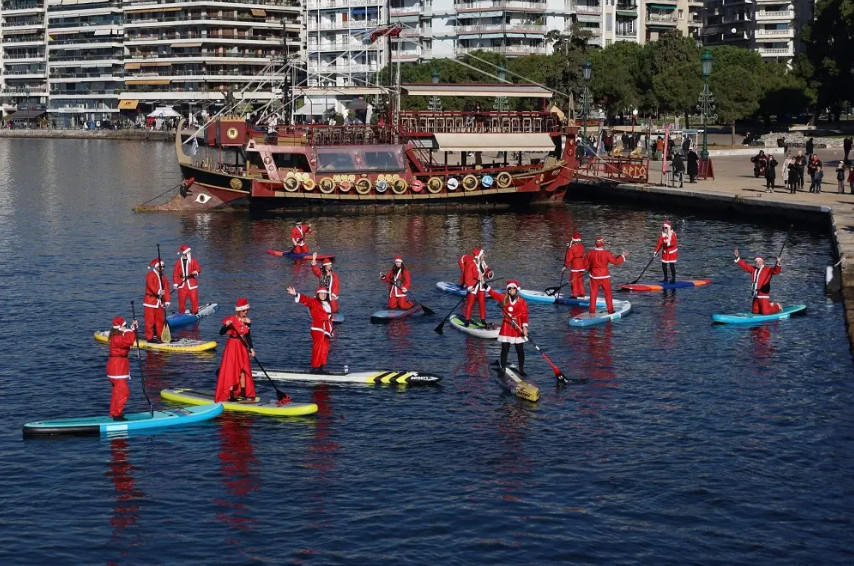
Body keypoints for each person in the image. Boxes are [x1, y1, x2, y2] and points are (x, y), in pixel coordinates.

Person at [214, 298, 257, 402]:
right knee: (232, 369)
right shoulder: (231, 319)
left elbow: (248, 336)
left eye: (247, 310)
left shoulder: (248, 321)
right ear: (239, 311)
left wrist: (251, 348)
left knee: (243, 369)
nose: (246, 312)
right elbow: (221, 333)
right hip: (232, 346)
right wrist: (226, 326)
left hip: (242, 346)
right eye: (244, 310)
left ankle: (243, 393)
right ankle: (231, 395)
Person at [486, 280, 529, 376]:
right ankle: (503, 368)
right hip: (507, 325)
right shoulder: (503, 298)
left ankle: (521, 370)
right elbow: (493, 293)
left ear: (516, 289)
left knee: (520, 350)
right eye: (509, 288)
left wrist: (525, 327)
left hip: (517, 326)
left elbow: (525, 314)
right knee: (505, 348)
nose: (511, 290)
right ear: (507, 290)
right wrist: (484, 284)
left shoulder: (521, 301)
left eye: (513, 288)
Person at [287, 286, 333, 373]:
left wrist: (331, 330)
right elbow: (306, 300)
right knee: (318, 347)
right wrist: (296, 294)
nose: (323, 295)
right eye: (321, 293)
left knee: (325, 348)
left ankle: (321, 367)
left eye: (324, 294)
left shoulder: (327, 303)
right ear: (318, 294)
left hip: (327, 329)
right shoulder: (314, 302)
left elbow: (329, 318)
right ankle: (315, 367)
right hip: (318, 328)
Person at [106, 316, 139, 421]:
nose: (126, 328)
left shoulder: (117, 337)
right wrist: (129, 330)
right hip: (117, 368)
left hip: (117, 366)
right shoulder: (116, 338)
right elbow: (129, 340)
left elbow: (129, 338)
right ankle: (117, 414)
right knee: (124, 392)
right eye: (125, 326)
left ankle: (113, 413)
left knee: (117, 392)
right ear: (120, 327)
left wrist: (133, 328)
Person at [586, 237, 629, 315]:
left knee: (593, 294)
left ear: (595, 243)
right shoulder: (606, 253)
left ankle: (592, 311)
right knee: (608, 293)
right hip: (605, 276)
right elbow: (615, 262)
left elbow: (585, 264)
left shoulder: (590, 253)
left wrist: (590, 270)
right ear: (603, 244)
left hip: (594, 276)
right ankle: (610, 310)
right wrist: (623, 256)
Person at [733, 249, 782, 315]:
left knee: (765, 312)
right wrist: (737, 257)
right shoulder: (753, 269)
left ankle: (777, 307)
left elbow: (776, 271)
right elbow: (745, 266)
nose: (758, 263)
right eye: (756, 262)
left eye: (759, 262)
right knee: (755, 311)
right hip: (755, 294)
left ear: (762, 262)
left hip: (763, 294)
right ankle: (769, 305)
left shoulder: (767, 269)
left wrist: (778, 263)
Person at [461, 248, 493, 326]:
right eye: (483, 255)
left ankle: (483, 320)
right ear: (478, 256)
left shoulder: (483, 263)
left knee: (482, 303)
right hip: (473, 286)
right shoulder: (471, 264)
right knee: (470, 303)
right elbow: (467, 276)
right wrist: (469, 287)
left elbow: (487, 272)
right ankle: (467, 320)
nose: (484, 256)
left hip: (481, 285)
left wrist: (489, 273)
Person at [143, 258, 170, 342]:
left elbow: (166, 289)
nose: (163, 268)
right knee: (149, 321)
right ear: (156, 267)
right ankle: (149, 337)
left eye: (163, 266)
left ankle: (160, 336)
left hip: (159, 302)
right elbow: (151, 286)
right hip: (150, 301)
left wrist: (167, 300)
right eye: (161, 267)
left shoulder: (163, 277)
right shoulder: (150, 275)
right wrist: (158, 291)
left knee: (160, 320)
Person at [172, 244, 201, 315]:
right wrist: (175, 284)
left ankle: (195, 312)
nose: (190, 253)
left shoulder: (193, 261)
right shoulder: (178, 262)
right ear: (184, 253)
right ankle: (181, 314)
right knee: (181, 301)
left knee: (194, 299)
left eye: (190, 252)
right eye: (188, 252)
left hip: (192, 283)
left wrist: (196, 271)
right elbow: (175, 273)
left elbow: (198, 268)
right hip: (182, 284)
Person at [562, 232, 587, 298]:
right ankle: (582, 293)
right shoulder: (582, 247)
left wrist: (565, 266)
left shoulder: (572, 248)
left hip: (575, 266)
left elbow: (569, 258)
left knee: (573, 280)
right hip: (582, 265)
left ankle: (574, 294)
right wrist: (569, 246)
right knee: (580, 280)